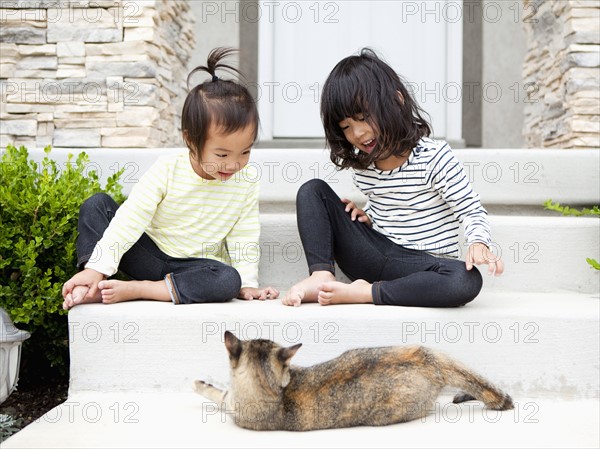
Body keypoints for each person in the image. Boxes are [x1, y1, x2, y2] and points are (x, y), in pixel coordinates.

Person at [283, 48, 503, 308]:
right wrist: (367, 217)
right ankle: (320, 274)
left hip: (423, 268)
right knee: (313, 190)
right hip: (374, 258)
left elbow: (471, 209)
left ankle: (367, 293)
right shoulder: (364, 169)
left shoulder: (434, 157)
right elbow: (390, 206)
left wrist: (478, 241)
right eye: (346, 127)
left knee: (463, 280)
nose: (358, 133)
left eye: (363, 118)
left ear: (396, 101)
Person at [62, 47, 279, 309]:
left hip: (192, 271)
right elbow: (132, 216)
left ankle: (143, 290)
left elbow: (244, 234)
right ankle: (93, 281)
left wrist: (247, 283)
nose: (234, 164)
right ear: (190, 139)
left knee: (227, 279)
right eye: (222, 154)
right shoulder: (168, 169)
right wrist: (97, 266)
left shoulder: (246, 180)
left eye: (245, 151)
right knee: (97, 204)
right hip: (148, 254)